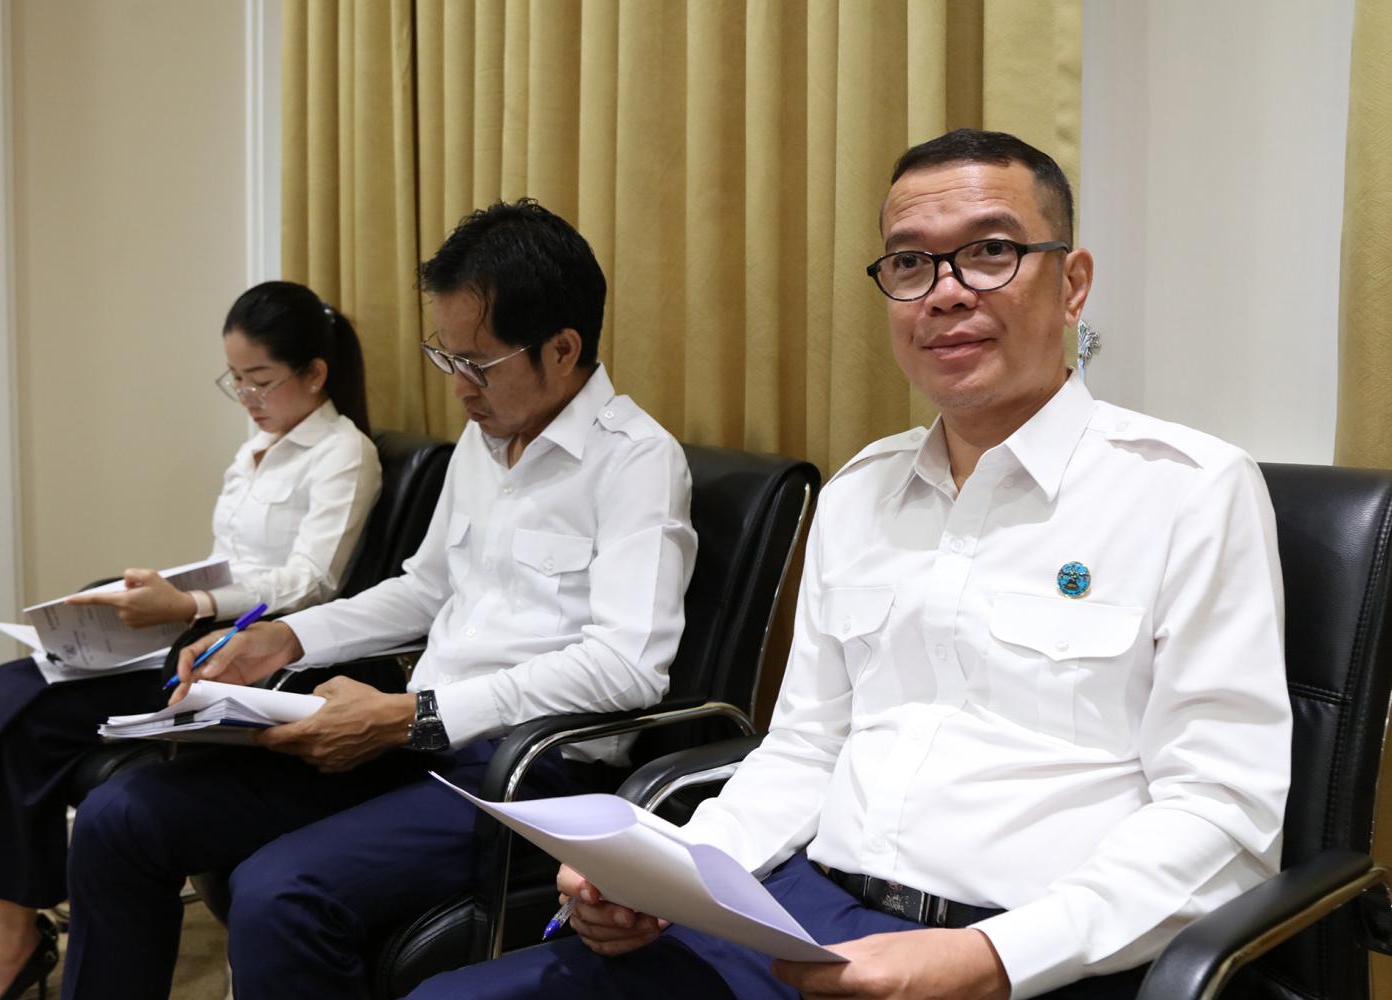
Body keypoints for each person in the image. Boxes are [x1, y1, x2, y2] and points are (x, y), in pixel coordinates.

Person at [408, 129, 1293, 1000]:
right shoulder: (861, 492)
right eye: (909, 263)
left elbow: (1223, 816)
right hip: (797, 913)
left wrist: (990, 958)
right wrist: (675, 872)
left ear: (1072, 284)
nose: (945, 293)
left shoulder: (1187, 491)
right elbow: (806, 747)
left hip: (1030, 953)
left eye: (990, 252)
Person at [58, 199, 698, 999]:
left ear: (562, 348)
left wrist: (412, 715)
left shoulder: (636, 461)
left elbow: (627, 668)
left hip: (525, 774)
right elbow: (425, 588)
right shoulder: (486, 440)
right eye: (447, 357)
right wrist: (289, 639)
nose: (459, 387)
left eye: (479, 363)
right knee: (123, 817)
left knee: (278, 895)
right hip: (418, 738)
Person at [0, 279, 382, 1000]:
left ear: (315, 373)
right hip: (189, 630)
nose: (247, 397)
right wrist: (151, 594)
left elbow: (311, 580)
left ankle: (5, 949)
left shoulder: (344, 453)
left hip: (238, 657)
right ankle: (3, 929)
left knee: (26, 717)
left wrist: (191, 602)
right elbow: (229, 559)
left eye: (261, 379)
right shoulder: (256, 449)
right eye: (234, 380)